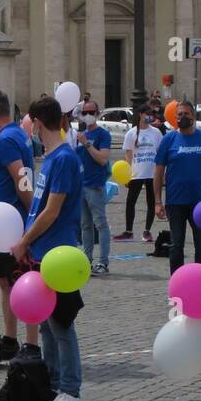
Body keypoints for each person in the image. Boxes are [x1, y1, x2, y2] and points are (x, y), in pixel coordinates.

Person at [12, 96, 86, 401]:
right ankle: (54, 383)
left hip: (57, 254)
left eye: (31, 125)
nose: (30, 131)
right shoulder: (53, 158)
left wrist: (25, 240)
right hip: (42, 252)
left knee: (61, 325)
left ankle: (70, 389)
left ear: (39, 124)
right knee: (46, 325)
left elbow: (52, 211)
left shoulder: (65, 159)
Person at [0, 88, 38, 362]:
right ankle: (11, 337)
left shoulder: (5, 140)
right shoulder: (18, 134)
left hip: (10, 223)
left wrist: (31, 217)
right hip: (6, 221)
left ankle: (25, 342)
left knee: (17, 282)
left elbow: (21, 178)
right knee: (6, 281)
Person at [153, 100, 201, 273]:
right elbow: (158, 171)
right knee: (176, 245)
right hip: (175, 202)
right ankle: (177, 281)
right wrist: (158, 201)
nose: (183, 117)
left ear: (193, 116)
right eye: (179, 115)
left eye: (186, 114)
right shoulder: (169, 140)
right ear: (175, 117)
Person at [74, 99, 113, 274]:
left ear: (97, 114)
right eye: (85, 112)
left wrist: (87, 144)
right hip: (81, 186)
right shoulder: (78, 135)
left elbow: (102, 158)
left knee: (100, 224)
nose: (88, 115)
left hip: (95, 186)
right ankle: (86, 259)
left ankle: (103, 262)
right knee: (85, 226)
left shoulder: (103, 135)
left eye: (92, 112)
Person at [117, 108, 161, 242]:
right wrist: (127, 173)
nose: (149, 117)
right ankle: (129, 230)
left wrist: (161, 173)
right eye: (147, 114)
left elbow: (160, 152)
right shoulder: (131, 133)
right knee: (130, 201)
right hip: (137, 172)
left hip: (152, 172)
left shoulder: (156, 132)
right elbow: (128, 155)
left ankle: (147, 231)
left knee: (151, 202)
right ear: (140, 114)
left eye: (151, 114)